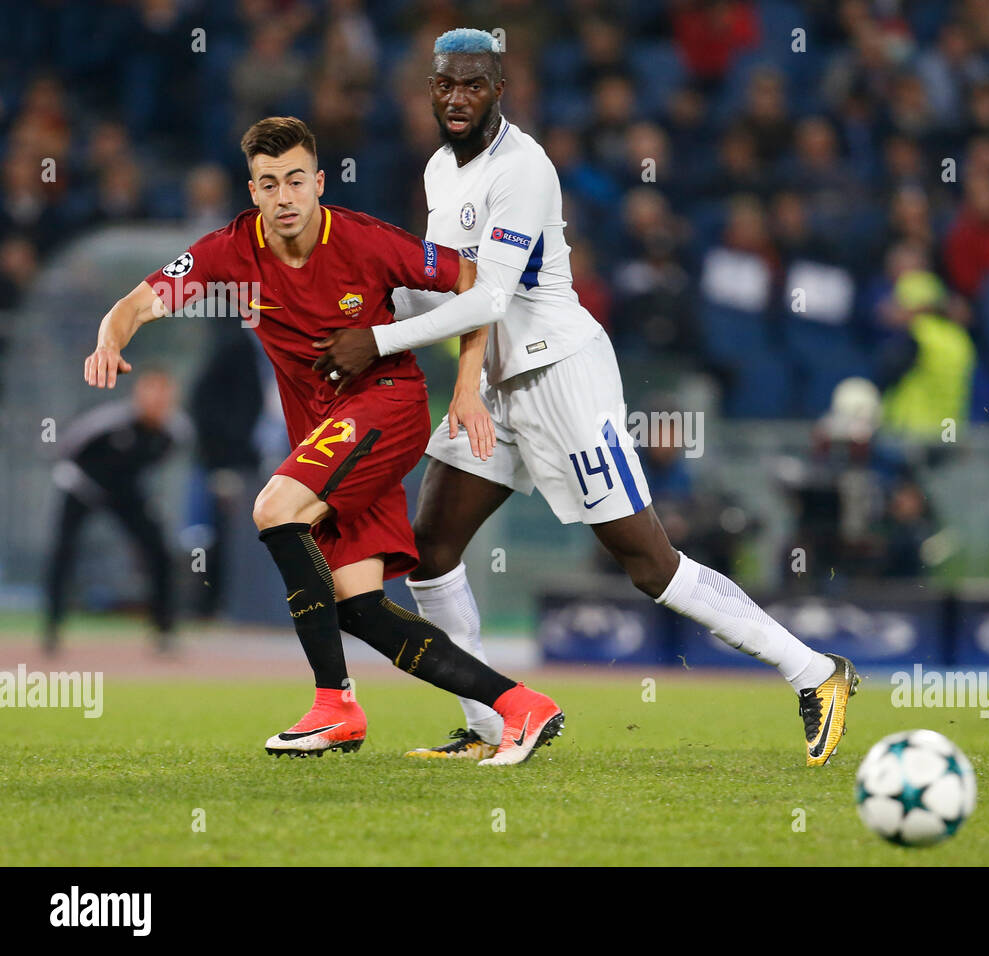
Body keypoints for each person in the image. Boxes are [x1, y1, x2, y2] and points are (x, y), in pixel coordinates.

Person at [312, 29, 858, 767]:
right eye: (445, 84)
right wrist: (372, 321)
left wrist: (374, 344)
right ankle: (488, 722)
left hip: (560, 373)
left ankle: (814, 670)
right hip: (496, 383)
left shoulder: (525, 167)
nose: (457, 97)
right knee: (432, 551)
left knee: (647, 561)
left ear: (501, 87)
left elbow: (492, 295)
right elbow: (449, 285)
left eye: (473, 83)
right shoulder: (441, 168)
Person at [82, 116, 563, 765]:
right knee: (360, 606)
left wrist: (467, 386)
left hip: (386, 407)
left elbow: (476, 284)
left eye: (296, 181)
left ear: (319, 183)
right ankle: (521, 707)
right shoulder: (228, 250)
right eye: (269, 183)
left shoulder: (365, 241)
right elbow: (136, 303)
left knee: (274, 508)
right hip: (333, 438)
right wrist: (110, 342)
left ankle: (334, 703)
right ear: (252, 191)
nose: (284, 197)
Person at [45, 371, 190, 654]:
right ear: (138, 393)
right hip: (83, 487)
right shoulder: (111, 421)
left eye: (164, 393)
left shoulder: (174, 431)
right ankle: (52, 628)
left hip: (126, 494)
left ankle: (164, 631)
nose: (158, 400)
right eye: (152, 391)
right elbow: (67, 445)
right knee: (64, 551)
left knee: (159, 550)